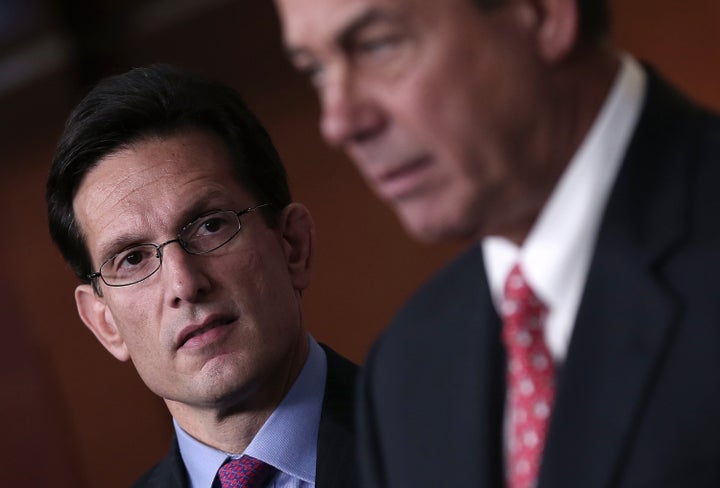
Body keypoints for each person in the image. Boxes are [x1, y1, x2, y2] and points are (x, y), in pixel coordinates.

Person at [273, 0, 720, 486]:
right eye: (316, 69)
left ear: (547, 15)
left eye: (378, 45)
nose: (338, 123)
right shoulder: (405, 371)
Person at [46, 64, 358, 488]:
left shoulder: (447, 425)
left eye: (210, 226)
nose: (184, 285)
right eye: (132, 258)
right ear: (105, 324)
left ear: (293, 246)